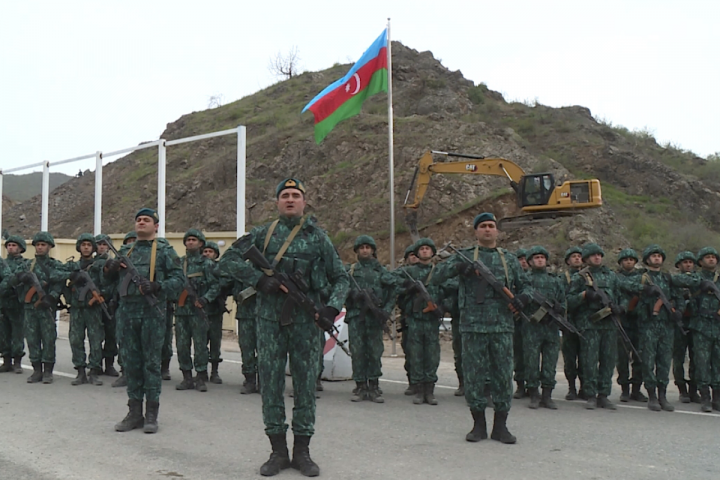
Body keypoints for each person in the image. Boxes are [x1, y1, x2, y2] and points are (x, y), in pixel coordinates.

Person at [219, 178, 349, 477]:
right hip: (268, 323)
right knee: (272, 385)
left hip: (306, 323)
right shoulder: (263, 234)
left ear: (304, 202)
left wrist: (330, 308)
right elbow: (226, 263)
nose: (290, 200)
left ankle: (302, 452)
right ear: (277, 202)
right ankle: (278, 451)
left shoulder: (318, 238)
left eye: (296, 195)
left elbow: (341, 277)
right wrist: (258, 279)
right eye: (285, 195)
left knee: (304, 385)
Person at [433, 212, 530, 444]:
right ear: (476, 231)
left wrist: (523, 298)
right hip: (472, 326)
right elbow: (435, 276)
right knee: (474, 377)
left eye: (491, 226)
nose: (488, 229)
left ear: (497, 231)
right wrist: (459, 268)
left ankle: (501, 426)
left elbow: (526, 285)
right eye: (483, 226)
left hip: (502, 327)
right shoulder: (465, 256)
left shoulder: (508, 258)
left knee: (502, 376)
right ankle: (478, 425)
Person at [104, 209, 184, 434]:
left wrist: (158, 286)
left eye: (146, 220)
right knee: (130, 363)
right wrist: (109, 270)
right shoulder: (125, 250)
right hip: (127, 312)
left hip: (152, 312)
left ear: (156, 226)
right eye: (138, 219)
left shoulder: (164, 251)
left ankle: (151, 414)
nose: (141, 222)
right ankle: (134, 412)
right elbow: (109, 282)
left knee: (150, 363)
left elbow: (179, 279)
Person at [619, 245, 682, 412]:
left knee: (664, 361)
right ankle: (652, 395)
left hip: (666, 325)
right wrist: (645, 289)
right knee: (647, 360)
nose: (656, 258)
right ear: (647, 259)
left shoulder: (668, 278)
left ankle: (662, 395)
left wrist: (679, 312)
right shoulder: (642, 277)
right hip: (647, 324)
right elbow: (622, 283)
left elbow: (677, 296)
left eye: (659, 256)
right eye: (653, 256)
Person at [567, 243, 621, 410]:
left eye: (599, 255)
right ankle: (590, 395)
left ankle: (603, 395)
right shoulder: (580, 277)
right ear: (586, 259)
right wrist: (584, 295)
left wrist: (621, 307)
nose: (597, 257)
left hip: (609, 324)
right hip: (589, 324)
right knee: (589, 360)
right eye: (593, 255)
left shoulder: (611, 276)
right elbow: (568, 301)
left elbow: (620, 296)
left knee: (608, 360)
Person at [345, 235, 396, 403]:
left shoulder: (381, 270)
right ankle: (360, 386)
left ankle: (374, 386)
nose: (365, 250)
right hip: (356, 318)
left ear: (373, 250)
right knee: (358, 352)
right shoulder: (351, 271)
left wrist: (386, 310)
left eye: (368, 247)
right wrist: (353, 295)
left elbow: (393, 290)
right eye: (362, 247)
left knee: (374, 352)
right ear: (357, 251)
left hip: (374, 318)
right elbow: (340, 289)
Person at [13, 232, 67, 384]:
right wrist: (21, 277)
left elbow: (60, 282)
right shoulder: (27, 264)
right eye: (38, 245)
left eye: (43, 245)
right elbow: (14, 279)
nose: (40, 247)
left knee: (48, 339)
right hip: (30, 308)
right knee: (32, 338)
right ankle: (37, 369)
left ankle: (48, 371)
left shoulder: (54, 265)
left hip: (46, 308)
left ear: (49, 247)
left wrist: (51, 297)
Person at [671, 247, 720, 413]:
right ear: (701, 261)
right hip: (700, 325)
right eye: (708, 257)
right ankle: (704, 396)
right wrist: (700, 283)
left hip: (717, 325)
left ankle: (717, 397)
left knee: (717, 363)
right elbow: (676, 281)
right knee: (702, 362)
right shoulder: (696, 277)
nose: (711, 260)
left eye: (714, 257)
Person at [397, 238, 443, 406]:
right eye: (421, 249)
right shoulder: (408, 272)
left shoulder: (438, 272)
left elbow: (450, 289)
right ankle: (418, 389)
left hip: (431, 321)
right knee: (415, 355)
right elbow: (390, 281)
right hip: (415, 319)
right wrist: (408, 287)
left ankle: (429, 390)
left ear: (432, 252)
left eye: (427, 249)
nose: (424, 251)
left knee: (432, 355)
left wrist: (442, 307)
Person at [174, 229, 219, 392]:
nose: (190, 242)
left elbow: (215, 285)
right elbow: (172, 283)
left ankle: (200, 376)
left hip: (198, 311)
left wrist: (205, 299)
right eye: (188, 240)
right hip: (181, 311)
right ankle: (186, 377)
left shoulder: (206, 264)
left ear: (201, 243)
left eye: (194, 240)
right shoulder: (179, 263)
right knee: (181, 345)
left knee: (200, 345)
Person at [521, 246, 565, 410]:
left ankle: (547, 395)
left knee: (550, 362)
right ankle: (533, 394)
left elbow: (563, 301)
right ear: (530, 261)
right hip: (532, 327)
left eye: (542, 257)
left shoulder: (555, 280)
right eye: (536, 257)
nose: (540, 260)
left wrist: (560, 309)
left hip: (551, 327)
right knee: (531, 362)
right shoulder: (525, 280)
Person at [66, 233, 105, 386]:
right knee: (75, 339)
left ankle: (94, 371)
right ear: (79, 247)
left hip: (93, 308)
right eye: (83, 245)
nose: (86, 248)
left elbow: (107, 283)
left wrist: (99, 296)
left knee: (95, 339)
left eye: (89, 245)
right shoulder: (72, 265)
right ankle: (80, 371)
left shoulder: (98, 266)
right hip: (77, 308)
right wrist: (73, 278)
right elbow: (59, 277)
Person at [615, 249, 647, 403]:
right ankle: (625, 389)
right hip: (622, 320)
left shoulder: (643, 277)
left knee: (640, 356)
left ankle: (636, 389)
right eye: (625, 259)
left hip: (640, 321)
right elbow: (621, 286)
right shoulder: (615, 278)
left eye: (631, 259)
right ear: (621, 262)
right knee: (622, 357)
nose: (628, 262)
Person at [202, 240, 231, 384]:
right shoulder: (198, 267)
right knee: (201, 342)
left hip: (214, 310)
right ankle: (201, 372)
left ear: (215, 254)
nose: (207, 254)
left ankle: (214, 371)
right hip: (200, 311)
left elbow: (226, 284)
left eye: (210, 252)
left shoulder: (221, 268)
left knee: (215, 341)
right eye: (205, 251)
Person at [672, 251, 698, 403]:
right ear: (679, 265)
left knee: (696, 358)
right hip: (679, 323)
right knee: (678, 358)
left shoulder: (697, 281)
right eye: (685, 262)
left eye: (690, 262)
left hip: (696, 323)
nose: (688, 264)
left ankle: (694, 390)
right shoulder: (674, 281)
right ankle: (682, 389)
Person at [0, 235, 29, 374]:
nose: (11, 247)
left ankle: (17, 361)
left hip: (17, 304)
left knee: (17, 333)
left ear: (20, 248)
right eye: (9, 245)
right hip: (3, 302)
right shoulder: (2, 263)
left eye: (14, 245)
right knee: (3, 333)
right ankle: (6, 360)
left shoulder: (25, 264)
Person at [561, 246, 585, 400]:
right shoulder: (563, 278)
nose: (577, 258)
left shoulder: (588, 276)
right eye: (574, 256)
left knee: (585, 357)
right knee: (570, 357)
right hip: (569, 321)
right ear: (568, 261)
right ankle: (571, 388)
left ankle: (584, 387)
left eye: (579, 256)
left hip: (585, 322)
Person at [95, 234, 120, 378]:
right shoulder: (91, 263)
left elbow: (118, 282)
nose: (102, 247)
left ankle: (109, 365)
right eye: (99, 244)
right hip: (95, 304)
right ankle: (96, 364)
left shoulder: (114, 263)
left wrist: (109, 295)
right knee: (96, 336)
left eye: (105, 244)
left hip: (111, 303)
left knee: (111, 336)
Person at [513, 248, 529, 399]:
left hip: (532, 323)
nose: (523, 262)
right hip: (515, 322)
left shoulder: (529, 280)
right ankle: (520, 385)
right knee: (518, 355)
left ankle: (532, 385)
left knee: (531, 356)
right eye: (520, 259)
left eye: (525, 259)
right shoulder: (512, 278)